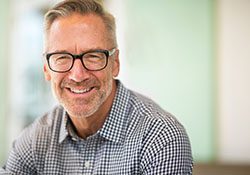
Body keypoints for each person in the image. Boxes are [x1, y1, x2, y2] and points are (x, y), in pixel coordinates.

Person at [3, 0, 193, 174]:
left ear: (115, 63)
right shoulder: (33, 142)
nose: (78, 75)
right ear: (46, 69)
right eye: (62, 57)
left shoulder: (161, 137)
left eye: (93, 56)